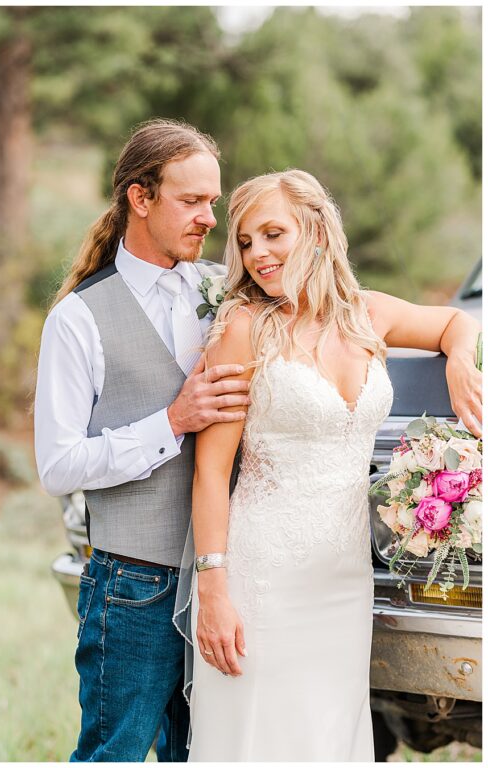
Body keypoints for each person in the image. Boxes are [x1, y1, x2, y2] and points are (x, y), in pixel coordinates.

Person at [184, 169, 481, 761]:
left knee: (327, 736)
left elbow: (455, 321)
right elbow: (211, 471)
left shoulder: (367, 315)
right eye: (246, 242)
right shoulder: (243, 330)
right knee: (259, 737)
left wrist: (460, 361)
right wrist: (213, 585)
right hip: (261, 576)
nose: (258, 255)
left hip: (344, 580)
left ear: (316, 231)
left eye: (273, 234)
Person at [34, 119, 252, 762]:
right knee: (117, 752)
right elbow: (58, 465)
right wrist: (172, 422)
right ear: (140, 197)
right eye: (192, 201)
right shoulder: (77, 318)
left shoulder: (226, 294)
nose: (209, 217)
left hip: (232, 580)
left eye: (213, 200)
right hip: (135, 585)